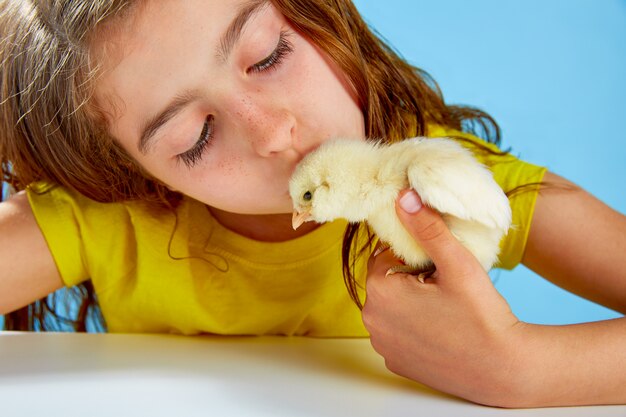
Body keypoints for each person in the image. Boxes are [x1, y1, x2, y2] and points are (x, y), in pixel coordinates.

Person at [0, 0, 624, 408]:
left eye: (269, 55)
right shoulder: (109, 219)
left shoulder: (447, 182)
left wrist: (525, 367)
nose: (273, 133)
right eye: (194, 138)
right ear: (129, 175)